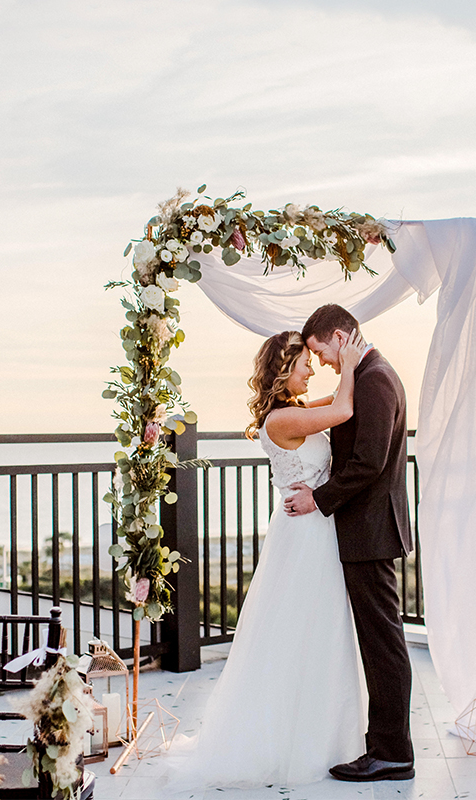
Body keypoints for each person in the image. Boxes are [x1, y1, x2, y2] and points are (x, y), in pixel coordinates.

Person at [168, 328, 368, 787]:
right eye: (304, 365)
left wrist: (347, 367)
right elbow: (343, 409)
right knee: (300, 631)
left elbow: (331, 401)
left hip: (315, 528)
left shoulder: (294, 411)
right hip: (305, 539)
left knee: (322, 632)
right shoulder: (279, 420)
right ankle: (295, 740)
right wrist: (352, 363)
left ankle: (326, 734)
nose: (311, 370)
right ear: (284, 369)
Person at [285, 303, 416, 782]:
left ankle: (392, 752)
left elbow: (369, 463)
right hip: (367, 529)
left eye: (321, 353)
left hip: (371, 531)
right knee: (380, 643)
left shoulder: (377, 378)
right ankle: (385, 746)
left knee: (383, 646)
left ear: (340, 336)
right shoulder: (367, 374)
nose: (322, 365)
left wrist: (318, 500)